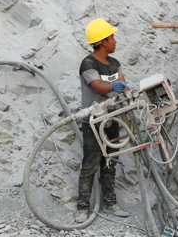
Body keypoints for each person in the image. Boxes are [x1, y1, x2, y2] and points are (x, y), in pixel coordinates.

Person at [75, 18, 131, 223]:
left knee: (110, 162)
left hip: (112, 119)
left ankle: (110, 203)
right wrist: (113, 87)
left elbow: (123, 84)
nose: (115, 40)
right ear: (103, 41)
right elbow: (97, 87)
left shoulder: (115, 64)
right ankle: (82, 207)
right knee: (90, 164)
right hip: (93, 121)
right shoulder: (88, 64)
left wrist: (122, 88)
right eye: (112, 37)